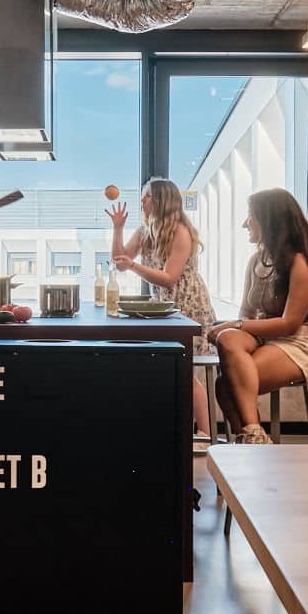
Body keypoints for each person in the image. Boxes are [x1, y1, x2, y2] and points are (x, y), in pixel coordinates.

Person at [210, 188, 308, 445]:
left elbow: (290, 324)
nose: (245, 223)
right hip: (265, 338)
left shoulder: (301, 262)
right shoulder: (256, 260)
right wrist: (231, 328)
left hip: (297, 343)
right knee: (228, 339)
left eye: (250, 216)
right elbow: (245, 312)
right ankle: (253, 438)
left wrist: (237, 324)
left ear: (269, 220)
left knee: (227, 384)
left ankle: (251, 440)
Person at [108, 177, 217, 440]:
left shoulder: (180, 232)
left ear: (160, 200)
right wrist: (118, 229)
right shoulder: (146, 231)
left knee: (186, 372)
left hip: (189, 307)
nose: (142, 201)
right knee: (176, 369)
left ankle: (204, 432)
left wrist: (133, 266)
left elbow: (170, 277)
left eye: (147, 197)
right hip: (166, 309)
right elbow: (119, 260)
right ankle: (179, 428)